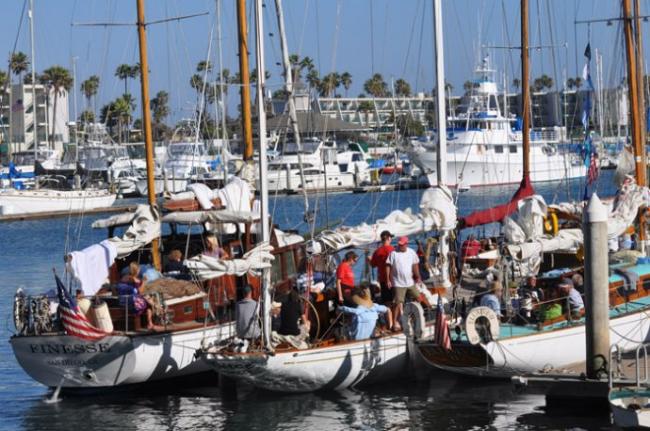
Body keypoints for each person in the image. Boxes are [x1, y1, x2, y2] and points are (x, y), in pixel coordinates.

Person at [386, 236, 421, 327]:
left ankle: (416, 316)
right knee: (398, 303)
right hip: (398, 283)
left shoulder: (411, 252)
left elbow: (415, 265)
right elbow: (388, 266)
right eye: (399, 244)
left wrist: (417, 276)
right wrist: (388, 279)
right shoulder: (393, 253)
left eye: (402, 245)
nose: (400, 246)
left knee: (418, 297)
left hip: (410, 282)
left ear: (406, 244)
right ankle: (394, 322)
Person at [119, 262, 156, 329]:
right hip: (133, 302)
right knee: (149, 305)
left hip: (124, 300)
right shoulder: (135, 280)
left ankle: (148, 323)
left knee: (147, 300)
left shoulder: (124, 278)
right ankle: (149, 323)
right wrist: (144, 282)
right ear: (137, 270)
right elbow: (140, 291)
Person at [369, 230, 394, 303]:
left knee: (387, 301)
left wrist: (369, 260)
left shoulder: (377, 252)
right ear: (389, 238)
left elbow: (373, 265)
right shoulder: (393, 250)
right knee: (395, 301)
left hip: (382, 280)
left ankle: (389, 313)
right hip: (393, 279)